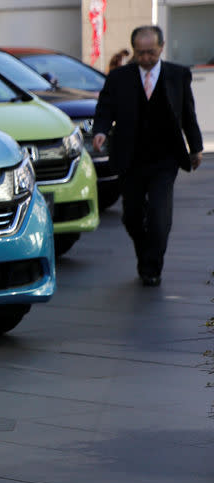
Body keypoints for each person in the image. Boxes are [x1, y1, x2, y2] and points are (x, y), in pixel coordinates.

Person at [92, 25, 203, 287]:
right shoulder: (119, 77)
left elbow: (188, 114)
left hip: (165, 158)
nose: (145, 59)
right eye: (140, 53)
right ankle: (146, 253)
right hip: (130, 157)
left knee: (158, 215)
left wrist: (195, 147)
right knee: (131, 216)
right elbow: (105, 108)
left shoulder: (178, 75)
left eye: (151, 53)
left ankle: (152, 268)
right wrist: (100, 132)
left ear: (161, 47)